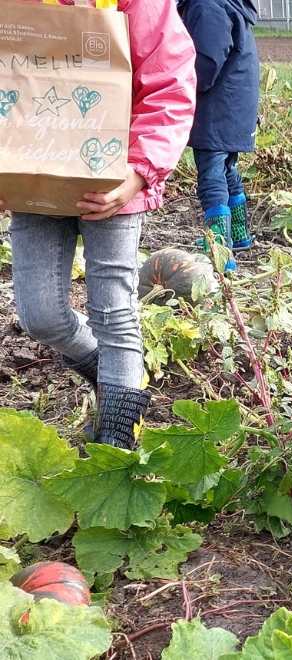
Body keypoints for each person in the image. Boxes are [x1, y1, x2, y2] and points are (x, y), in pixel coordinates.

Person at [0, 0, 197, 449]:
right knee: (40, 316)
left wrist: (139, 172)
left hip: (115, 180)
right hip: (36, 180)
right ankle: (112, 373)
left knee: (113, 309)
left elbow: (170, 84)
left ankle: (116, 443)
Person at [177, 0, 260, 273]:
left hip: (216, 109)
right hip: (234, 107)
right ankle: (238, 236)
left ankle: (220, 251)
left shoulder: (207, 5)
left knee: (211, 179)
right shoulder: (227, 3)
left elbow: (207, 61)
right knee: (227, 172)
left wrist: (180, 84)